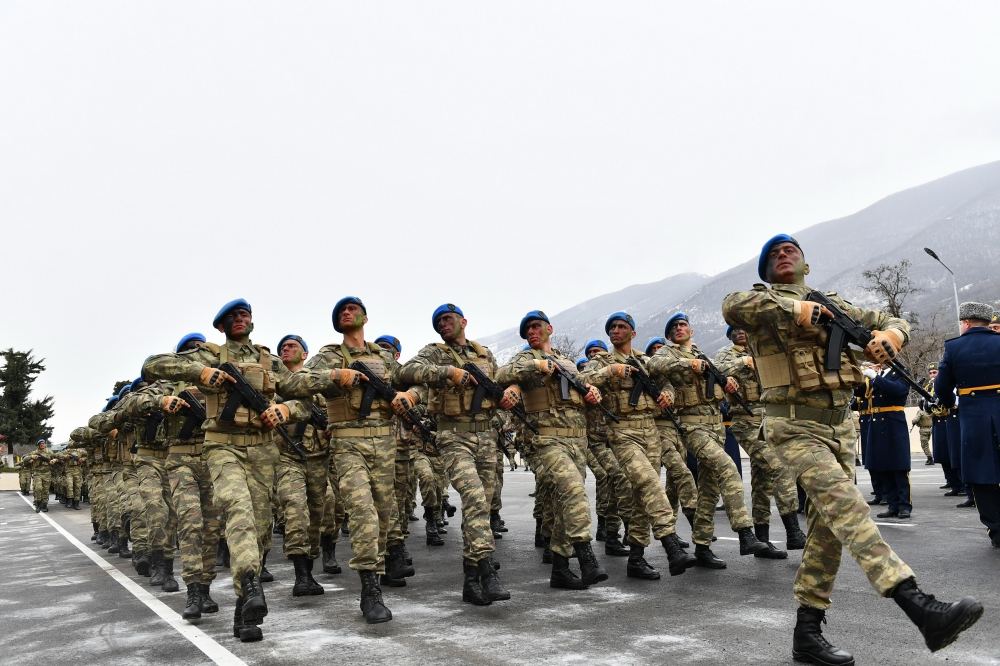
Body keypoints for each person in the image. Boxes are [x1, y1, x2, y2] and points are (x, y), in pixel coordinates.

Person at [723, 233, 982, 663]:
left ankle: (807, 632)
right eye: (774, 254)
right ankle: (918, 606)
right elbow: (732, 306)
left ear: (806, 263)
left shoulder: (838, 305)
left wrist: (892, 337)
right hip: (793, 423)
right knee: (849, 508)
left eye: (791, 250)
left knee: (828, 530)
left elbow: (895, 317)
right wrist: (797, 309)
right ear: (766, 270)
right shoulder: (761, 303)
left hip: (840, 426)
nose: (783, 255)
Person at [143, 298, 335, 640]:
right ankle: (249, 586)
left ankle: (242, 612)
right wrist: (200, 372)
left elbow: (304, 392)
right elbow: (154, 364)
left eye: (245, 314)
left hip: (262, 451)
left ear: (252, 321)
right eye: (233, 316)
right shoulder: (210, 353)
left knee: (260, 530)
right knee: (239, 514)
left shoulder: (268, 360)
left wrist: (289, 409)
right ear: (222, 325)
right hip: (222, 446)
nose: (240, 318)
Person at [396, 303, 511, 606]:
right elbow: (405, 371)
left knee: (482, 506)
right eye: (438, 321)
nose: (442, 325)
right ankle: (487, 573)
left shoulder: (484, 354)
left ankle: (470, 582)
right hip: (452, 435)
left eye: (448, 319)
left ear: (463, 321)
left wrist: (509, 400)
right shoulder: (435, 352)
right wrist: (448, 372)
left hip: (486, 435)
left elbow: (498, 388)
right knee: (473, 497)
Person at [578, 311, 696, 580]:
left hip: (650, 431)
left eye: (621, 327)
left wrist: (667, 393)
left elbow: (666, 380)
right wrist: (611, 371)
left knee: (641, 497)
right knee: (649, 484)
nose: (615, 331)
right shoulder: (601, 360)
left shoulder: (646, 361)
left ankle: (636, 558)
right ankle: (671, 543)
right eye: (612, 328)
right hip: (622, 431)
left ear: (632, 332)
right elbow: (582, 380)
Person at [496, 310, 609, 589]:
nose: (532, 332)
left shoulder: (566, 361)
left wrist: (593, 392)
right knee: (574, 492)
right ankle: (585, 557)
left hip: (576, 439)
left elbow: (582, 387)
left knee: (563, 505)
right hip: (547, 440)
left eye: (536, 327)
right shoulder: (525, 359)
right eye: (527, 330)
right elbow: (502, 375)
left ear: (549, 328)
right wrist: (538, 367)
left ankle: (560, 567)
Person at [647, 313, 771, 567]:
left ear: (690, 330)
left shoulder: (703, 355)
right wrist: (687, 365)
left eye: (683, 325)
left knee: (708, 490)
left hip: (716, 427)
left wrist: (728, 384)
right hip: (692, 427)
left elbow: (720, 377)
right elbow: (653, 367)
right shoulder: (668, 353)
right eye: (674, 327)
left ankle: (702, 547)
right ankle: (745, 533)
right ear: (669, 335)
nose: (679, 328)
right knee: (728, 470)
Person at [715, 326, 805, 552]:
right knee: (779, 467)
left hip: (770, 420)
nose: (740, 332)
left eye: (744, 328)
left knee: (761, 481)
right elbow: (716, 370)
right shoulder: (728, 354)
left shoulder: (763, 352)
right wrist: (744, 361)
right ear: (730, 335)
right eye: (734, 330)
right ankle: (793, 532)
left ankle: (762, 540)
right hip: (745, 421)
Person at [934, 302, 1000, 549]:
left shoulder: (954, 347)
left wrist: (950, 402)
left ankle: (996, 529)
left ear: (966, 322)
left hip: (974, 417)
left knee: (983, 474)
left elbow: (942, 387)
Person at [860, 364, 913, 519]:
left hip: (893, 422)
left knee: (899, 466)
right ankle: (892, 505)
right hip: (877, 423)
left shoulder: (901, 372)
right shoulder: (879, 374)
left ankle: (904, 505)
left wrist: (876, 378)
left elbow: (898, 390)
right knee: (883, 466)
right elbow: (860, 394)